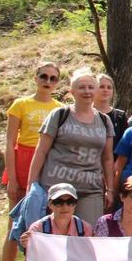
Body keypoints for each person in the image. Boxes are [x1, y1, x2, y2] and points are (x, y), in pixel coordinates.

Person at [0, 61, 63, 261]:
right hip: (22, 161)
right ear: (36, 78)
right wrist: (13, 178)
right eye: (43, 76)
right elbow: (9, 142)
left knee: (43, 222)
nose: (47, 82)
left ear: (58, 82)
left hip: (46, 166)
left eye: (52, 78)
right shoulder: (20, 104)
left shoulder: (59, 108)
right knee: (14, 223)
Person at [26, 67, 115, 226]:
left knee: (87, 238)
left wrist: (110, 189)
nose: (86, 91)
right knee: (54, 239)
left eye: (90, 87)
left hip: (91, 189)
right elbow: (41, 151)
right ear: (72, 91)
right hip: (56, 188)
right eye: (81, 87)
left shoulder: (104, 120)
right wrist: (31, 186)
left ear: (96, 91)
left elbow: (107, 158)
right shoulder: (59, 115)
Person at [94, 73, 129, 152]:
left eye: (109, 87)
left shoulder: (120, 116)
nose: (105, 90)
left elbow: (124, 145)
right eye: (101, 87)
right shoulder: (86, 113)